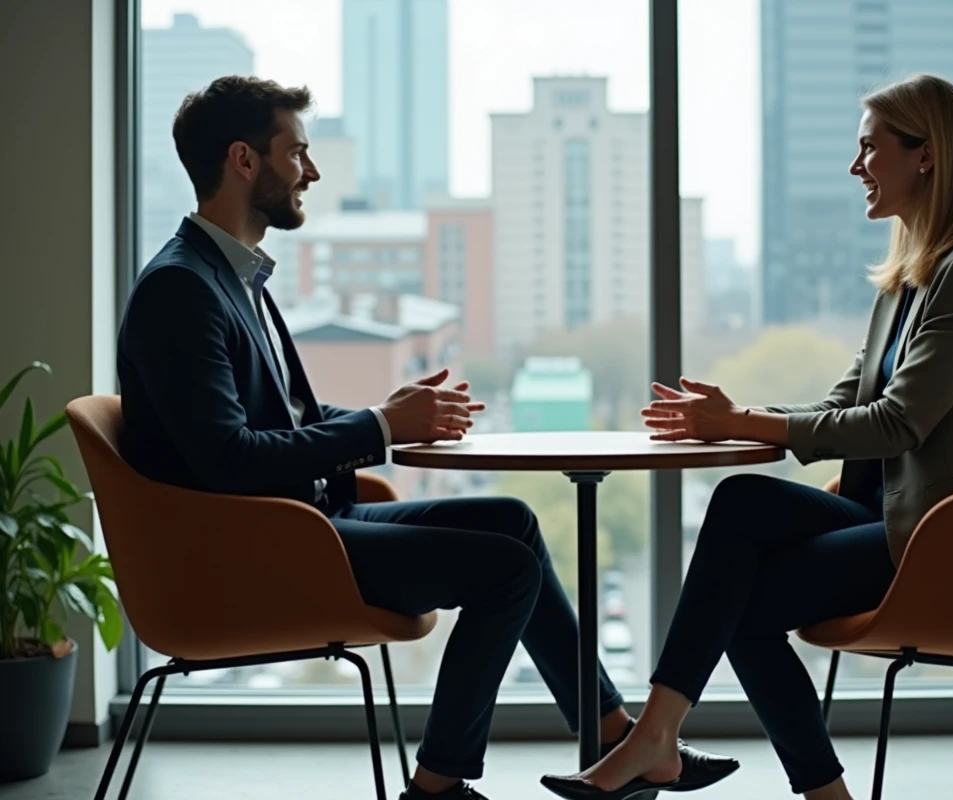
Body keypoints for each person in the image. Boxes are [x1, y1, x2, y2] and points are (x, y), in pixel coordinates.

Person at [116, 76, 732, 800]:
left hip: (301, 524)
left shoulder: (233, 278)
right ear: (244, 161)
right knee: (504, 571)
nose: (310, 172)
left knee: (512, 524)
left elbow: (275, 426)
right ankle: (437, 790)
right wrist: (380, 427)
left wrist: (396, 415)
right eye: (298, 153)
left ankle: (616, 735)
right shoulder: (182, 289)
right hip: (256, 549)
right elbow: (228, 458)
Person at [541, 73, 953, 800]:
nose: (856, 167)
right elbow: (850, 399)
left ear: (927, 155)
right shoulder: (912, 277)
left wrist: (741, 424)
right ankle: (664, 741)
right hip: (895, 513)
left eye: (870, 148)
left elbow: (899, 421)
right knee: (742, 503)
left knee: (744, 601)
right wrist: (734, 417)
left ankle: (670, 744)